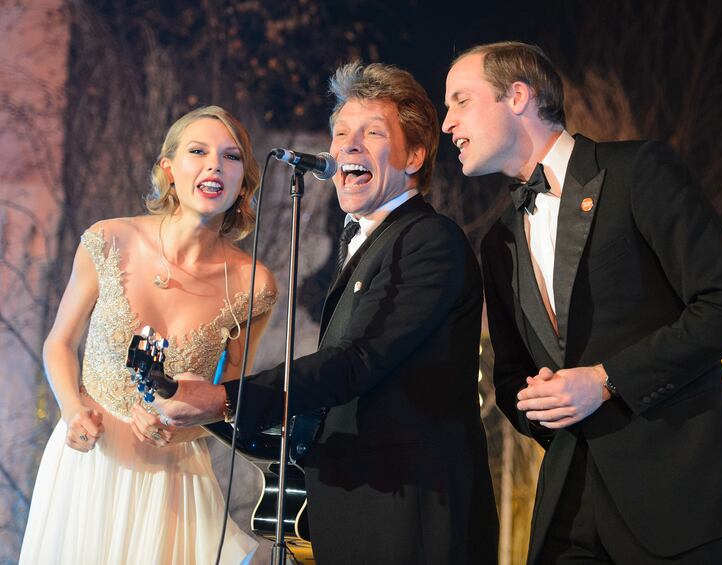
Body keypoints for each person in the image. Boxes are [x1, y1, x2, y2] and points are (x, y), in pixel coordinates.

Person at [154, 62, 500, 565]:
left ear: (416, 155)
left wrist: (226, 398)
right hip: (362, 513)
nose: (348, 146)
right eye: (340, 133)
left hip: (412, 519)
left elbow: (357, 360)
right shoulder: (365, 239)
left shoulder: (429, 241)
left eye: (372, 132)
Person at [442, 41, 722, 564]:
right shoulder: (497, 241)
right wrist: (540, 406)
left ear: (518, 95)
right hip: (569, 499)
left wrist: (605, 379)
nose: (447, 123)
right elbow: (510, 377)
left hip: (673, 492)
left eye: (460, 100)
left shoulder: (639, 171)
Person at [20, 106, 277, 564]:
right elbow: (59, 343)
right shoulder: (109, 239)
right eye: (197, 151)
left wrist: (180, 432)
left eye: (230, 156)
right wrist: (73, 409)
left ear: (244, 183)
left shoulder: (252, 284)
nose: (214, 164)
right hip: (90, 463)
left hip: (174, 476)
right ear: (169, 169)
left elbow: (229, 398)